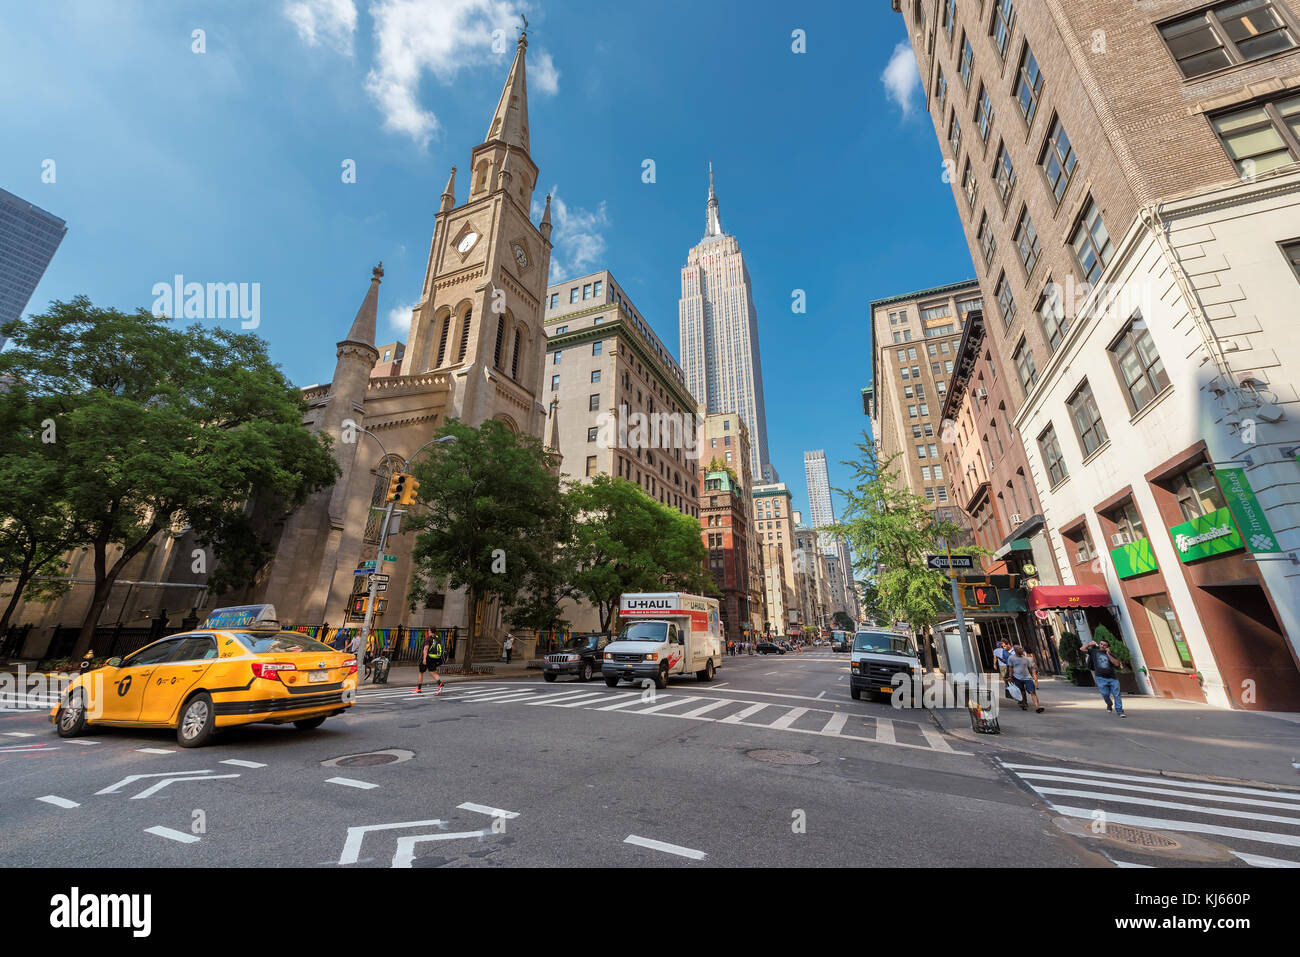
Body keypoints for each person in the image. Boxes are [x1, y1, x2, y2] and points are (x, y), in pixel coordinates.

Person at [1082, 637, 1126, 717]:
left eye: (1104, 645)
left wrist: (1108, 654)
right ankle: (1109, 704)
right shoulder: (1094, 652)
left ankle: (1120, 711)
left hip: (1113, 678)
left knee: (1117, 695)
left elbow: (1116, 664)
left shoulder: (1111, 654)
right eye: (1101, 644)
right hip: (1101, 678)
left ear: (1107, 647)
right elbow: (1082, 649)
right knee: (1105, 694)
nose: (1102, 646)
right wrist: (1089, 644)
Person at [1007, 644, 1044, 713]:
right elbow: (1010, 668)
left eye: (1021, 648)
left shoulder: (1025, 658)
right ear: (1015, 650)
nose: (1021, 650)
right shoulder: (1011, 658)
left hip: (1027, 678)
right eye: (1019, 649)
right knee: (1021, 692)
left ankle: (1037, 707)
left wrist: (1031, 676)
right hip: (1017, 678)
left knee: (1032, 692)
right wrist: (1010, 676)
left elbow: (1029, 668)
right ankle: (1023, 704)